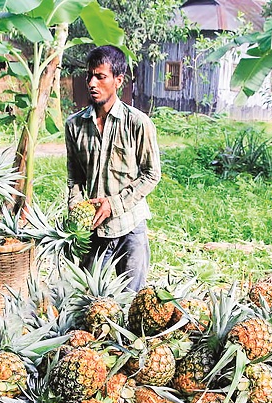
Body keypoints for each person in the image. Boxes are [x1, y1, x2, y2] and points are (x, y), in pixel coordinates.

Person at [66, 45, 161, 292]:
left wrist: (114, 204)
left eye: (100, 76)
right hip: (94, 229)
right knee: (88, 298)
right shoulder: (74, 125)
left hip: (130, 225)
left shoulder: (138, 123)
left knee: (132, 301)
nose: (92, 83)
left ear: (118, 80)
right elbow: (74, 176)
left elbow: (152, 174)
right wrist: (75, 206)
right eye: (89, 76)